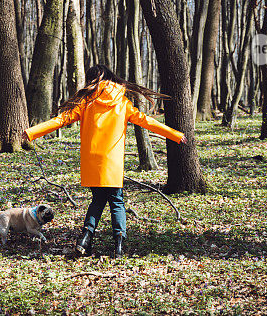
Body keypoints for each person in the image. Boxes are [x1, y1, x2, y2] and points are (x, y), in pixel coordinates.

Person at [22, 64, 187, 258]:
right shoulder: (122, 101)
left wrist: (32, 132)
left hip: (92, 161)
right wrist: (175, 134)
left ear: (93, 80)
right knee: (116, 201)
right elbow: (147, 121)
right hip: (113, 162)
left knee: (98, 199)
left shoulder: (87, 101)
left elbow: (61, 120)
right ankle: (118, 245)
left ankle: (85, 240)